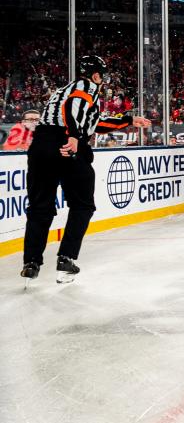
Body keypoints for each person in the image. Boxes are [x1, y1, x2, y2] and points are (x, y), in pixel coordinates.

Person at [21, 55, 151, 282]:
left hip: (41, 145)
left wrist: (128, 120)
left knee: (40, 206)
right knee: (83, 204)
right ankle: (66, 258)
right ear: (95, 74)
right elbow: (74, 109)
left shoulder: (64, 90)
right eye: (102, 74)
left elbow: (93, 123)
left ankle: (31, 262)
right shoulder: (86, 85)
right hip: (67, 143)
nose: (103, 79)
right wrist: (72, 137)